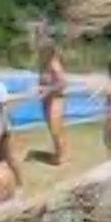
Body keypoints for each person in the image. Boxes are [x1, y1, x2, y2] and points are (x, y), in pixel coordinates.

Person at [36, 37, 70, 166]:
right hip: (47, 99)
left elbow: (63, 83)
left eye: (42, 50)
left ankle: (63, 156)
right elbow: (42, 81)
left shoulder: (54, 64)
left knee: (56, 128)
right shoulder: (43, 64)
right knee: (52, 128)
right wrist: (40, 88)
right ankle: (59, 153)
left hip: (56, 99)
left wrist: (48, 89)